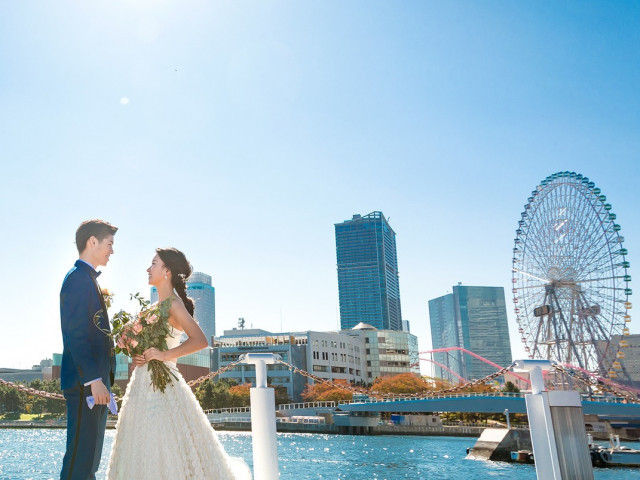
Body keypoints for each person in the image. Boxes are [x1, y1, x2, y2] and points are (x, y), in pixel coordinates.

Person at [106, 248, 251, 480]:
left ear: (167, 271)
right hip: (142, 385)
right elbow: (148, 348)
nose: (148, 268)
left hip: (164, 388)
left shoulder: (174, 304)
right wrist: (140, 356)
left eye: (153, 263)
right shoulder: (152, 308)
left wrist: (164, 355)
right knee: (140, 441)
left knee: (162, 440)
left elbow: (200, 340)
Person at [60, 219, 118, 480]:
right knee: (80, 462)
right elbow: (77, 335)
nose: (112, 251)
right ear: (92, 242)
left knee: (89, 462)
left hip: (95, 386)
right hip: (87, 386)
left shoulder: (87, 280)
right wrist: (94, 380)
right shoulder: (77, 280)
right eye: (109, 244)